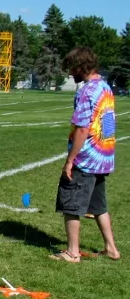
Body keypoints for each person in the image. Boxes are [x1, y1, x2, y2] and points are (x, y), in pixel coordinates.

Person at [51, 47, 120, 262]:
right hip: (103, 156)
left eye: (72, 67)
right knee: (99, 206)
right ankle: (111, 248)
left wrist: (70, 161)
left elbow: (82, 128)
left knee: (71, 203)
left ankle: (72, 252)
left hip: (87, 158)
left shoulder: (87, 91)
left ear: (81, 66)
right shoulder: (106, 88)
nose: (71, 73)